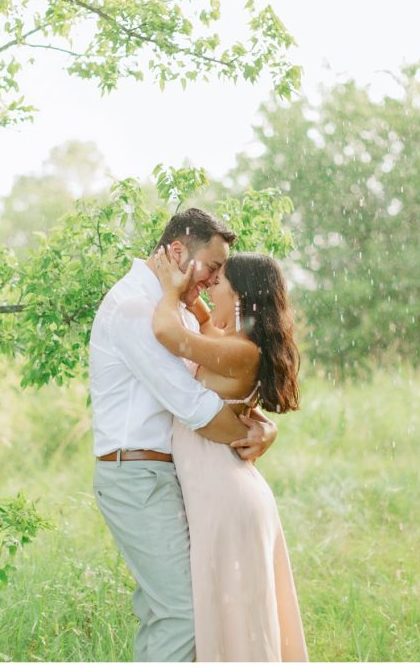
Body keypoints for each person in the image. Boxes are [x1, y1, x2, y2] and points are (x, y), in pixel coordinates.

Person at [89, 208, 279, 662]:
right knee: (182, 614)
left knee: (164, 612)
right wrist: (244, 433)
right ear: (177, 251)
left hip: (170, 477)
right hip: (137, 475)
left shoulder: (178, 310)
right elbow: (193, 406)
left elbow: (227, 377)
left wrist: (261, 425)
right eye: (212, 268)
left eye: (220, 274)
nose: (213, 282)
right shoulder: (137, 308)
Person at [148, 247, 309, 662]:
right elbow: (203, 323)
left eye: (218, 282)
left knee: (239, 620)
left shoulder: (242, 351)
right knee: (232, 615)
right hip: (223, 491)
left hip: (225, 496)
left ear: (239, 297)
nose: (210, 286)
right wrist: (195, 298)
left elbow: (168, 332)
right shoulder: (236, 344)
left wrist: (171, 290)